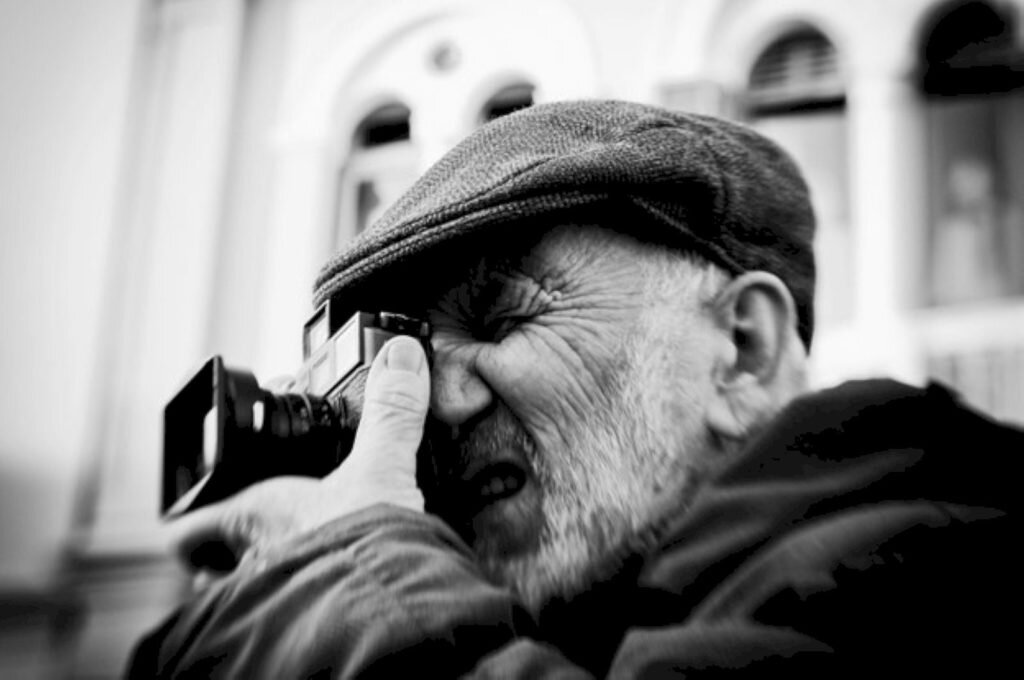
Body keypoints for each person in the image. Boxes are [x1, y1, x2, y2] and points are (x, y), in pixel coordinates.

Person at [129, 100, 1020, 678]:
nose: (442, 404)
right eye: (400, 357)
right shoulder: (535, 637)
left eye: (502, 319)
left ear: (743, 350)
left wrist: (338, 587)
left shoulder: (938, 567)